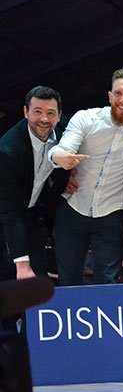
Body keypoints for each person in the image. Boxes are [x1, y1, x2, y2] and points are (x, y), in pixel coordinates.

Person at [49, 69, 123, 286]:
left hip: (110, 215)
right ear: (110, 96)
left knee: (108, 281)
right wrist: (61, 157)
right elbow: (63, 147)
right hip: (72, 209)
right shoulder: (86, 118)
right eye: (119, 93)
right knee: (69, 280)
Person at [0, 87, 70, 281]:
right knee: (12, 276)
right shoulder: (8, 150)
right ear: (25, 112)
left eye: (50, 113)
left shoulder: (66, 132)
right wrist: (22, 265)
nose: (44, 119)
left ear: (59, 115)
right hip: (7, 211)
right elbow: (10, 212)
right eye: (37, 111)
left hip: (31, 213)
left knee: (37, 280)